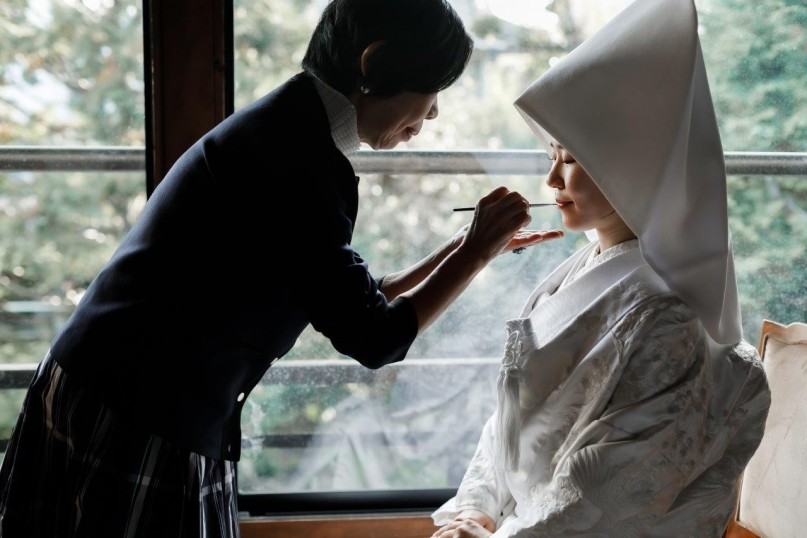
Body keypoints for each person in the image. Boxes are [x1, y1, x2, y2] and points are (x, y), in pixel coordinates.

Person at [0, 1, 565, 536]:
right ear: (375, 66)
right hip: (136, 410)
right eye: (432, 89)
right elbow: (375, 337)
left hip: (119, 388)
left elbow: (353, 295)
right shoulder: (300, 160)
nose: (433, 112)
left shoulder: (290, 127)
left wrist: (464, 246)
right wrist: (474, 253)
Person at [430, 0, 772, 536]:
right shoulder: (582, 271)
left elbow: (607, 495)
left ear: (632, 166)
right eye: (552, 155)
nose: (552, 180)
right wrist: (477, 509)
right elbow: (509, 426)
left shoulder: (669, 316)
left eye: (570, 159)